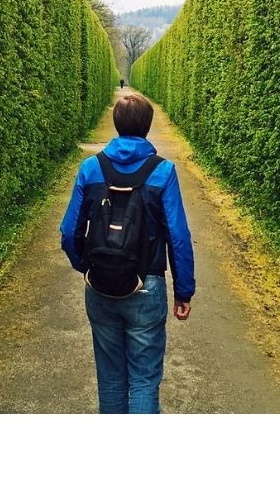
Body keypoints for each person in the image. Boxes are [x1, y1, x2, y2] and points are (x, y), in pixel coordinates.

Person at [60, 93, 195, 414]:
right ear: (147, 127)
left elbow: (69, 233)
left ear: (116, 125)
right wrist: (183, 291)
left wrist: (88, 268)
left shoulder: (91, 168)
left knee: (110, 379)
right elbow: (178, 236)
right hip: (146, 285)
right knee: (145, 380)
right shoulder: (163, 172)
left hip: (100, 287)